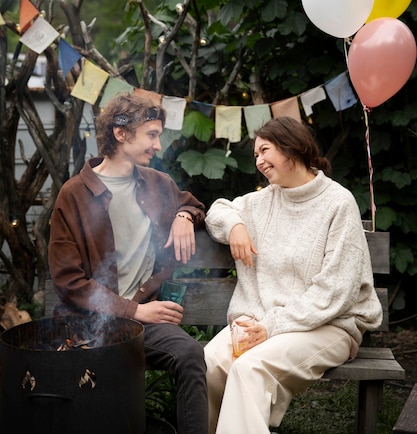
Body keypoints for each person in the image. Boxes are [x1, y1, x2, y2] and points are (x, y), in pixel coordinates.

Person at [203, 116, 383, 434]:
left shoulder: (338, 203)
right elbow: (217, 209)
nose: (258, 161)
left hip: (330, 325)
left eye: (265, 150)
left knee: (250, 368)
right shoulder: (263, 201)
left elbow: (336, 292)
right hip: (263, 320)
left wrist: (270, 327)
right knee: (210, 361)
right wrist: (236, 226)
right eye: (255, 154)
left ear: (291, 147)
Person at [49, 92, 208, 434]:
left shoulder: (157, 184)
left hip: (144, 323)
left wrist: (184, 213)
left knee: (190, 354)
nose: (158, 144)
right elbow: (67, 280)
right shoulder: (74, 194)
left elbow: (194, 204)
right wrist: (133, 312)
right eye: (151, 134)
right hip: (88, 323)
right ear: (121, 134)